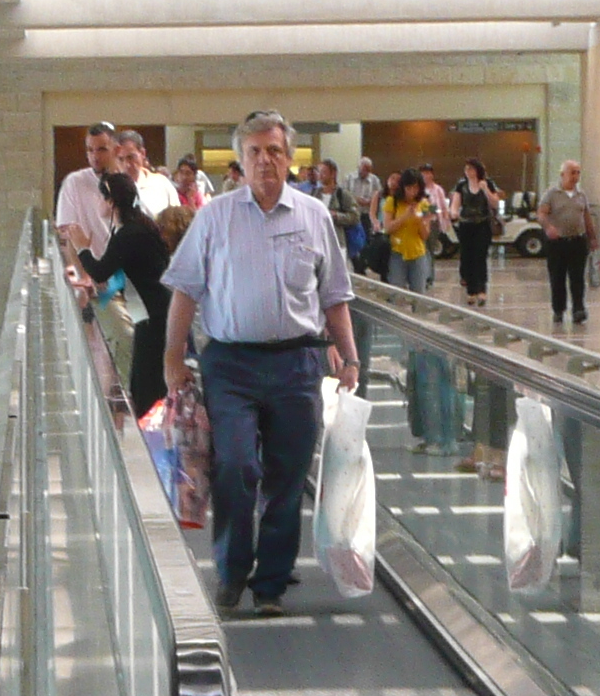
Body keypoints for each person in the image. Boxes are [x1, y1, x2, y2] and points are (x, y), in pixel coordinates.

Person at [161, 110, 360, 621]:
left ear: (289, 158)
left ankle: (270, 582)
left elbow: (334, 294)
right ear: (240, 160)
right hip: (231, 362)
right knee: (236, 465)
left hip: (298, 361)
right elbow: (185, 289)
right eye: (255, 151)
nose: (265, 160)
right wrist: (172, 358)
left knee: (287, 475)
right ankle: (230, 570)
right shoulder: (215, 217)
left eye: (274, 150)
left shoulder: (313, 215)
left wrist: (350, 356)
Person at [66, 170, 174, 415]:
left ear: (111, 201)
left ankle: (155, 437)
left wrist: (82, 246)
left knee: (146, 385)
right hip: (151, 311)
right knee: (143, 379)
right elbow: (123, 272)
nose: (97, 203)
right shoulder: (135, 227)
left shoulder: (130, 233)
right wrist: (101, 292)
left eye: (101, 197)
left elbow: (100, 270)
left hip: (153, 315)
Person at [540, 160, 596, 325]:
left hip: (577, 240)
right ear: (563, 174)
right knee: (557, 277)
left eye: (578, 172)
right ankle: (558, 309)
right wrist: (548, 227)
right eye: (572, 172)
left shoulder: (581, 195)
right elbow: (542, 213)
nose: (575, 176)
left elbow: (586, 217)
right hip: (557, 242)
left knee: (577, 277)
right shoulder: (551, 193)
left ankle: (578, 308)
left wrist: (592, 237)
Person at [53, 122, 119, 259]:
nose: (95, 156)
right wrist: (84, 276)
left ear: (116, 150)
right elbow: (69, 235)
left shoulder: (127, 183)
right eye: (90, 150)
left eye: (102, 149)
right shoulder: (74, 182)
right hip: (90, 268)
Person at [450, 158, 502, 305]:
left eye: (471, 169)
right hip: (466, 225)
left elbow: (495, 202)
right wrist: (453, 212)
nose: (468, 172)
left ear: (477, 170)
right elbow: (456, 202)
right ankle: (471, 291)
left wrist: (485, 189)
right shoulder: (461, 185)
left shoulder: (487, 183)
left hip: (482, 224)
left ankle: (482, 289)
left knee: (480, 256)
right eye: (466, 169)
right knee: (467, 257)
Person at [380, 167, 434, 295]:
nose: (412, 192)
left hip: (418, 254)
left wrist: (419, 220)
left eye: (415, 188)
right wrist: (404, 217)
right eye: (409, 188)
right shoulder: (391, 201)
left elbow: (426, 235)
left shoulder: (426, 203)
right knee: (396, 294)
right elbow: (387, 228)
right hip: (397, 253)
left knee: (419, 294)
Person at [119, 130, 179, 218]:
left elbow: (176, 219)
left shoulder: (162, 184)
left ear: (142, 153)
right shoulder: (111, 188)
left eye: (130, 157)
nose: (126, 164)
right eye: (120, 159)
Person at [346, 157, 386, 278]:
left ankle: (363, 264)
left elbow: (379, 195)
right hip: (353, 213)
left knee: (366, 241)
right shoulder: (350, 178)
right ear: (359, 167)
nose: (365, 172)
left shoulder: (374, 180)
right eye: (363, 169)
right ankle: (357, 265)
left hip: (366, 214)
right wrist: (356, 199)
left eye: (368, 170)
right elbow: (345, 193)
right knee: (353, 241)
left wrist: (370, 201)